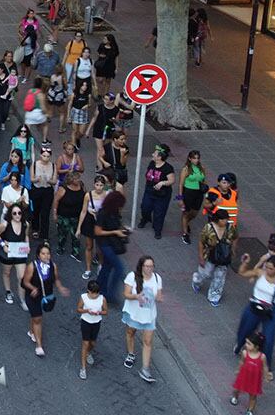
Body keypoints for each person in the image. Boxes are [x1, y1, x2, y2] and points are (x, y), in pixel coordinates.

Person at [233, 253, 275, 379]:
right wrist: (245, 262)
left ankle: (266, 365)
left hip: (270, 310)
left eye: (271, 268)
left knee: (269, 338)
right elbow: (242, 273)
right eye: (267, 267)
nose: (268, 270)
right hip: (254, 306)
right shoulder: (259, 273)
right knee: (245, 330)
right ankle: (239, 345)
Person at [22, 242, 69, 356]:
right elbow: (25, 282)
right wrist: (32, 288)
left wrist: (60, 287)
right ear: (38, 255)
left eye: (48, 253)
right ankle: (39, 346)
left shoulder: (53, 266)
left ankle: (31, 331)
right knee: (38, 318)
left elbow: (56, 279)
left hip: (45, 296)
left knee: (35, 316)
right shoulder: (32, 266)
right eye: (43, 253)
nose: (46, 256)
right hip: (32, 296)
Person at [122, 255, 162, 383]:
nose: (149, 268)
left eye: (151, 266)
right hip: (134, 312)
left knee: (148, 341)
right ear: (141, 266)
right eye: (147, 266)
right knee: (131, 332)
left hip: (149, 314)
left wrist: (158, 298)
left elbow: (159, 294)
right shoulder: (132, 277)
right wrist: (137, 296)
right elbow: (126, 294)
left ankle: (145, 369)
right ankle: (131, 353)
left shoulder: (157, 278)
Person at [192, 208, 238, 306]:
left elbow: (235, 237)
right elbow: (201, 241)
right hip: (209, 256)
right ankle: (197, 281)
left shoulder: (230, 228)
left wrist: (233, 249)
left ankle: (214, 296)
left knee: (219, 278)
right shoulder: (208, 228)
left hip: (224, 257)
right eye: (223, 219)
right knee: (205, 273)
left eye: (226, 219)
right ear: (218, 219)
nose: (225, 221)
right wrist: (200, 256)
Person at [94, 190, 130, 303]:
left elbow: (117, 225)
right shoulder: (103, 213)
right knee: (119, 268)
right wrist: (115, 232)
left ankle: (98, 288)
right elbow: (98, 231)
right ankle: (110, 294)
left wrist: (123, 230)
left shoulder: (114, 213)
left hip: (110, 244)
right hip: (105, 244)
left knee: (107, 267)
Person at [137, 144, 175, 239]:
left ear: (160, 157)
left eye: (155, 153)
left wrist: (162, 183)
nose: (152, 154)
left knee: (159, 213)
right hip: (149, 191)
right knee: (145, 207)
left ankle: (157, 230)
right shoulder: (151, 163)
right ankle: (145, 219)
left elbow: (171, 181)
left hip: (162, 195)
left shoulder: (168, 168)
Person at [231, 332, 270, 415]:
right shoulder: (245, 353)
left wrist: (266, 375)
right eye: (246, 342)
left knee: (253, 395)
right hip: (244, 375)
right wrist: (238, 370)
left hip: (255, 379)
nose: (246, 345)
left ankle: (250, 410)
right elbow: (241, 362)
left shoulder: (262, 357)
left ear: (256, 347)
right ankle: (235, 396)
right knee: (237, 389)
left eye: (249, 344)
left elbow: (265, 367)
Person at [76, 281, 107, 380]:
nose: (95, 295)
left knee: (92, 343)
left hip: (96, 322)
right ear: (88, 291)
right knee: (85, 343)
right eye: (93, 293)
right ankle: (83, 368)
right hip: (86, 322)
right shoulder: (83, 297)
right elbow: (79, 309)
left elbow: (106, 311)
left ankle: (88, 353)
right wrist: (87, 311)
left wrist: (99, 312)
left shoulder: (102, 299)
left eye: (96, 293)